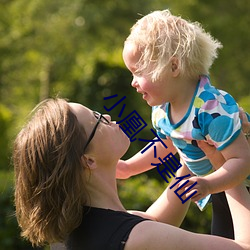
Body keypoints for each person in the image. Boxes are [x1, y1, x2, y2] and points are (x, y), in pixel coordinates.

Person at [13, 98, 250, 250]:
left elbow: (155, 221)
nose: (106, 116)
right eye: (97, 120)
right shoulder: (138, 238)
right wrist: (227, 165)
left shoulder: (73, 234)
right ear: (88, 160)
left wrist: (190, 150)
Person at [120, 9, 250, 239]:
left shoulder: (210, 109)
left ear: (173, 67)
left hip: (239, 186)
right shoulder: (162, 109)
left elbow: (242, 160)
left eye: (138, 72)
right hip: (220, 188)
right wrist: (130, 167)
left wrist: (209, 184)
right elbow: (169, 142)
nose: (133, 82)